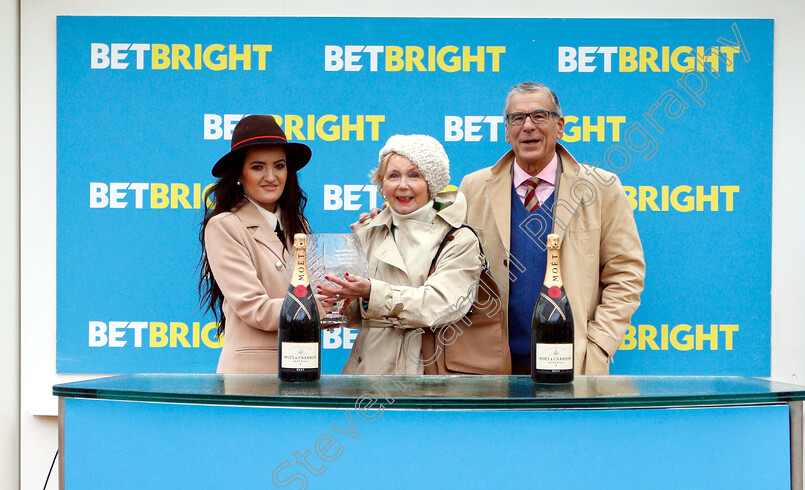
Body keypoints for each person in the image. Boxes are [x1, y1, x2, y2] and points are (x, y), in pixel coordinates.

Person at [458, 81, 645, 375]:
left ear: (560, 126)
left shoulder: (602, 187)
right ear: (507, 131)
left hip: (573, 366)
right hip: (490, 368)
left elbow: (626, 276)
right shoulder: (473, 187)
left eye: (539, 116)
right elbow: (443, 256)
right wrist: (384, 220)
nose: (528, 126)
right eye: (517, 118)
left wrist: (598, 345)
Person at [317, 134, 493, 375]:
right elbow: (355, 316)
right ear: (382, 183)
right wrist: (338, 301)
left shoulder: (459, 237)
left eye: (414, 175)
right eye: (393, 176)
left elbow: (441, 304)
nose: (402, 185)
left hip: (425, 373)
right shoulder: (368, 230)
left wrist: (371, 291)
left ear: (431, 182)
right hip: (366, 374)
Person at [198, 114, 316, 373]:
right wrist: (317, 306)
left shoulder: (298, 225)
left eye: (279, 166)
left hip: (302, 370)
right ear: (239, 173)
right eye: (258, 167)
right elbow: (256, 309)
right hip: (251, 378)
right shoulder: (225, 225)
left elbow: (313, 290)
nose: (271, 177)